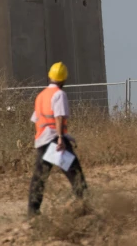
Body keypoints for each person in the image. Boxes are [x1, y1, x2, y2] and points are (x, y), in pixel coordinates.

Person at [27, 62, 88, 216]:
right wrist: (61, 138)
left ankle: (32, 212)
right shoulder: (59, 94)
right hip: (56, 142)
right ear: (64, 79)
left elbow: (36, 119)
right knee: (75, 173)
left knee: (39, 178)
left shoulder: (41, 96)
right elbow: (58, 117)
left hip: (42, 141)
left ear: (50, 76)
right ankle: (85, 205)